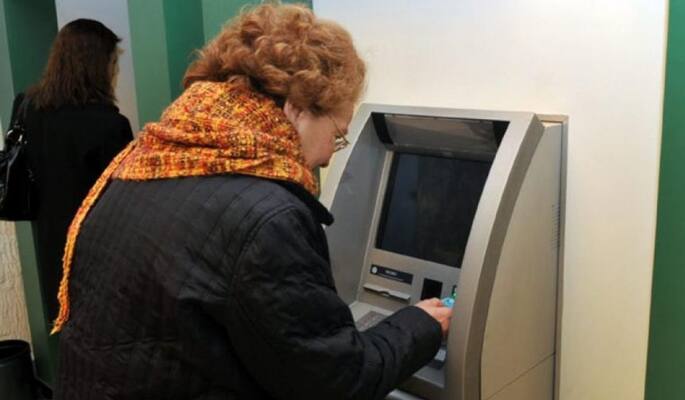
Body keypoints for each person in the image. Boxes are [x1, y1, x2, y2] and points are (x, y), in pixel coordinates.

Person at [53, 5, 451, 400]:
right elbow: (336, 382)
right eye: (338, 134)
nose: (331, 155)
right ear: (296, 111)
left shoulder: (146, 161)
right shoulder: (267, 217)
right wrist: (419, 324)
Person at [11, 18, 133, 323]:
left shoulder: (27, 106)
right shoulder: (109, 126)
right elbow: (123, 203)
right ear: (97, 65)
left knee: (66, 329)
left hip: (50, 245)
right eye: (113, 62)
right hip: (98, 254)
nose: (115, 71)